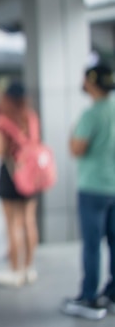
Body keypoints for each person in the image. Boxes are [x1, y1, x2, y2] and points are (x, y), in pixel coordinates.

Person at [62, 65, 115, 320]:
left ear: (92, 83)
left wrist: (72, 135)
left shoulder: (91, 114)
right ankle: (113, 295)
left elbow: (77, 149)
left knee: (92, 246)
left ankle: (89, 297)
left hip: (93, 187)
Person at [0, 82, 40, 287]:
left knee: (12, 224)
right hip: (31, 175)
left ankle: (14, 270)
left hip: (10, 174)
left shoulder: (1, 121)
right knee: (29, 221)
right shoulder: (31, 117)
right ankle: (29, 268)